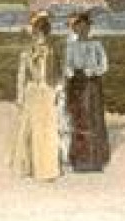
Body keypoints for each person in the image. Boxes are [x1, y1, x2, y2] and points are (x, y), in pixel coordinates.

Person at [10, 12, 62, 180]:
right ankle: (27, 166)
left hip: (47, 90)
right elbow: (21, 75)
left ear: (47, 34)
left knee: (46, 129)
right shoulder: (26, 53)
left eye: (44, 33)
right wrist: (19, 95)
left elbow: (58, 73)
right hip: (32, 91)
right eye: (37, 33)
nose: (41, 37)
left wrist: (59, 89)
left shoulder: (52, 51)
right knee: (28, 128)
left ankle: (46, 168)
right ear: (33, 33)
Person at [60, 11, 110, 172]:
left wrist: (93, 70)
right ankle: (79, 158)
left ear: (89, 28)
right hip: (76, 84)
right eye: (78, 27)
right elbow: (67, 64)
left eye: (85, 27)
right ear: (74, 29)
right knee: (78, 117)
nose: (82, 30)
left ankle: (94, 158)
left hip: (92, 84)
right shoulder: (71, 46)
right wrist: (69, 71)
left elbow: (104, 65)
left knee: (92, 117)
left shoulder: (96, 45)